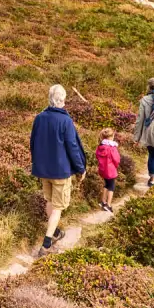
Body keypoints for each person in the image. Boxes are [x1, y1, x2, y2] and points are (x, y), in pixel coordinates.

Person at [30, 85, 86, 258]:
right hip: (60, 171)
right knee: (58, 207)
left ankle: (54, 232)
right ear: (63, 100)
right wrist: (80, 168)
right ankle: (46, 244)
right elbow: (73, 147)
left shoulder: (39, 118)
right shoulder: (65, 121)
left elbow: (33, 142)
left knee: (50, 201)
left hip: (44, 170)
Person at [95, 127, 121, 213]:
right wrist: (116, 166)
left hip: (103, 169)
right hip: (111, 170)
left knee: (106, 184)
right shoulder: (112, 147)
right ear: (112, 136)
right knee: (111, 186)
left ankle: (103, 201)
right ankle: (108, 205)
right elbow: (116, 159)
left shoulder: (101, 146)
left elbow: (97, 156)